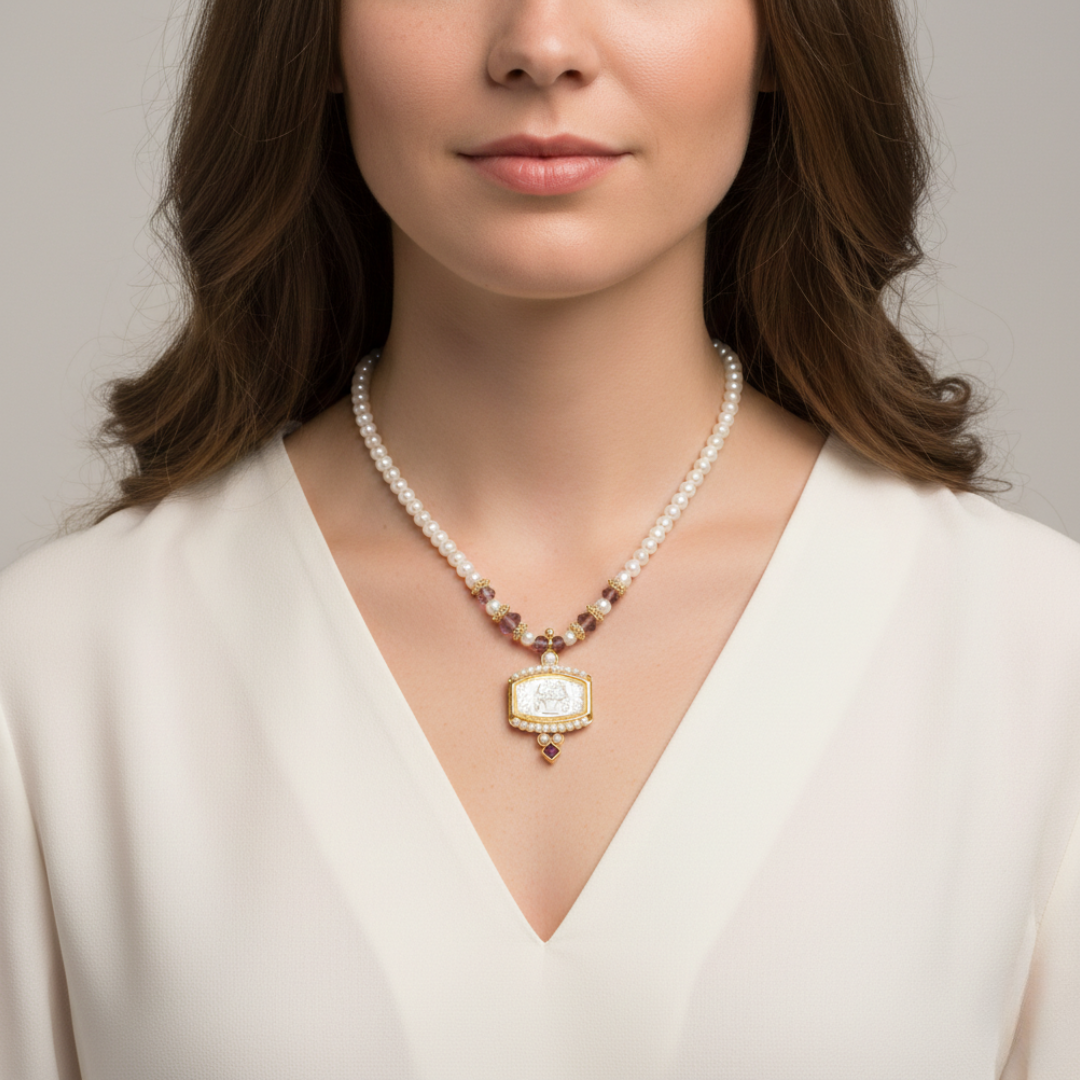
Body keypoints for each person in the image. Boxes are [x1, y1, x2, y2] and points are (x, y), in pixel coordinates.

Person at [2, 0, 1078, 1074]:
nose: (542, 47)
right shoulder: (56, 668)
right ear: (315, 37)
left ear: (781, 40)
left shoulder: (1032, 651)